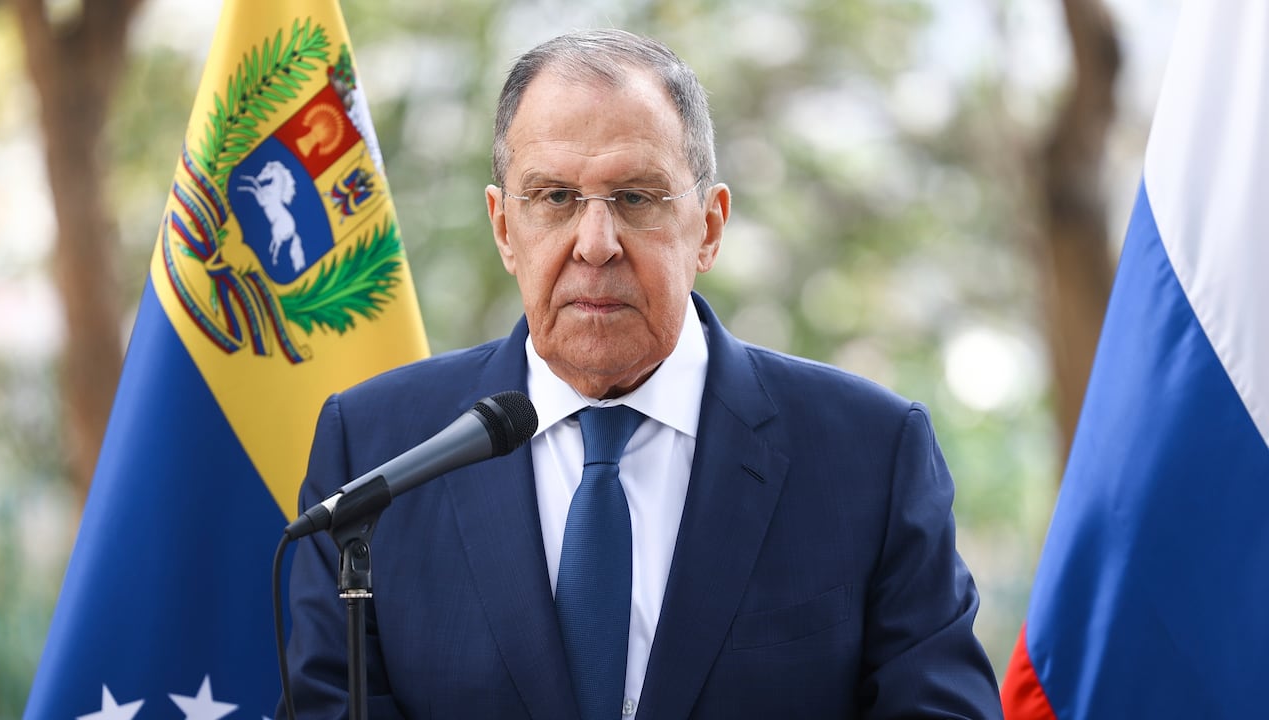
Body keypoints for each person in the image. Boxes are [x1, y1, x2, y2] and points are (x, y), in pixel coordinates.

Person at [281, 28, 1003, 720]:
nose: (596, 244)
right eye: (554, 198)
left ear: (709, 228)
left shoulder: (870, 455)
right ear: (504, 227)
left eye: (636, 198)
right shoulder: (374, 451)